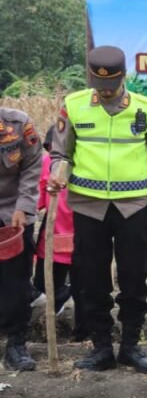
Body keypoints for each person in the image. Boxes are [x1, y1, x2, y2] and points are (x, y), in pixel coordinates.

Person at [48, 45, 147, 373]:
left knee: (134, 277)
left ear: (123, 77)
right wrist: (58, 173)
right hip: (88, 207)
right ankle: (101, 347)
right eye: (99, 84)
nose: (105, 90)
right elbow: (62, 153)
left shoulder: (146, 109)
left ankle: (131, 345)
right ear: (91, 77)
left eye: (111, 84)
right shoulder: (73, 106)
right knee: (92, 279)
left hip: (133, 207)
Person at [0, 107, 43, 371]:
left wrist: (25, 206)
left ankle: (16, 343)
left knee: (16, 281)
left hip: (12, 213)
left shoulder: (18, 124)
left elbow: (32, 164)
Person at [31, 127, 77, 326]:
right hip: (65, 238)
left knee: (46, 288)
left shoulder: (47, 163)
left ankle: (63, 300)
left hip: (59, 239)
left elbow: (37, 202)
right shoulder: (48, 164)